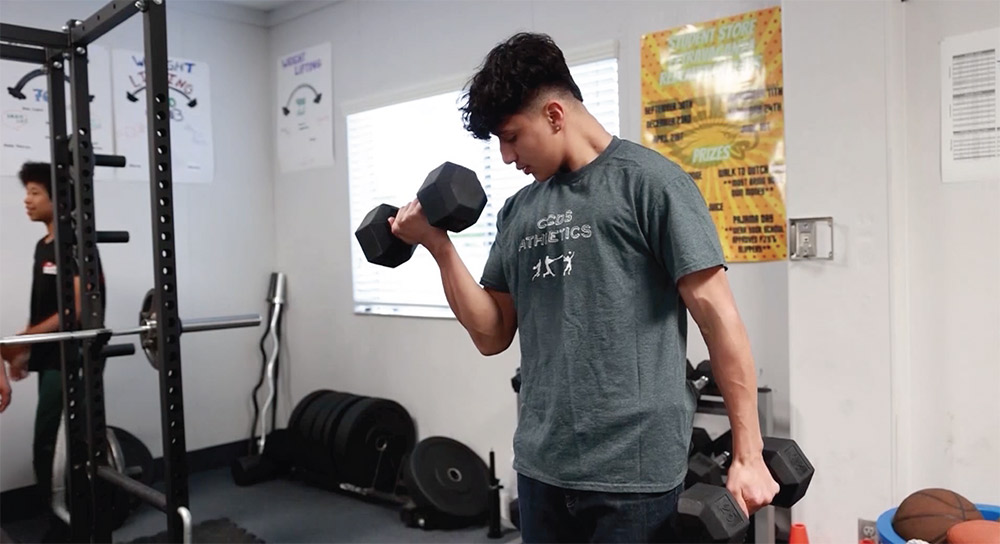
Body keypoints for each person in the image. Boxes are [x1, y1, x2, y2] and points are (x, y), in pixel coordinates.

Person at [389, 33, 779, 542]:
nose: (506, 157)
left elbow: (719, 321)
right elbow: (491, 334)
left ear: (554, 115)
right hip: (541, 465)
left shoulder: (651, 184)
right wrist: (439, 248)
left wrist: (748, 454)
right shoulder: (519, 211)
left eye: (511, 137)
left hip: (633, 475)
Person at [1, 162, 104, 529]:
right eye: (26, 192)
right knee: (48, 439)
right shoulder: (42, 245)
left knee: (53, 439)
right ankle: (59, 513)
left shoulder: (74, 241)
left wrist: (24, 340)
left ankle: (69, 519)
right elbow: (46, 308)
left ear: (58, 201)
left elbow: (77, 309)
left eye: (35, 192)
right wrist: (24, 349)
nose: (26, 200)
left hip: (73, 356)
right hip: (51, 354)